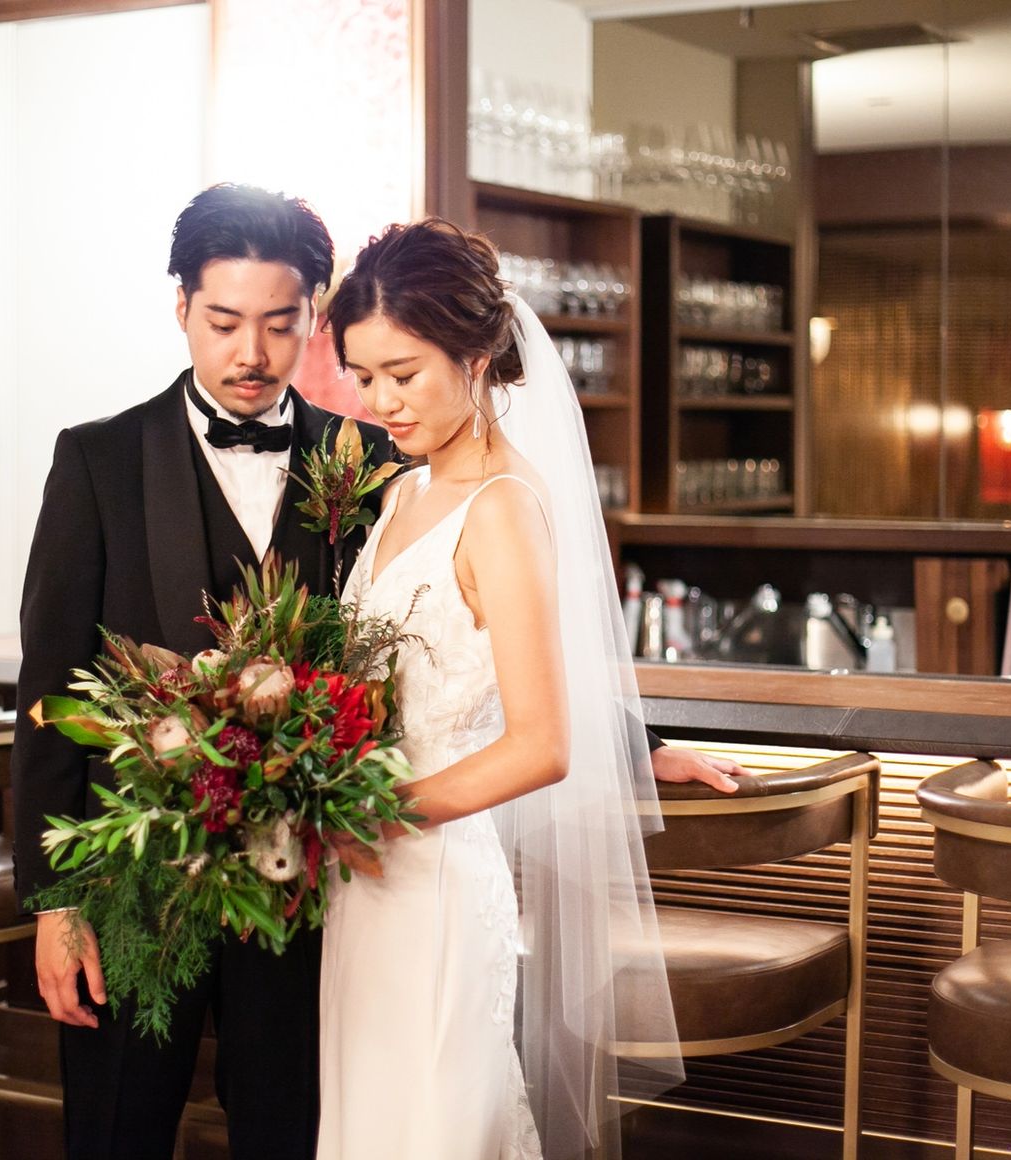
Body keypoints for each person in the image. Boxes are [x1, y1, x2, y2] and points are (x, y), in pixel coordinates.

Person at [319, 219, 741, 1160]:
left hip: (429, 874)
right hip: (364, 884)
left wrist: (374, 813)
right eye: (363, 376)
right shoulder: (401, 493)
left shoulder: (502, 508)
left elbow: (542, 744)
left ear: (475, 359)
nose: (381, 401)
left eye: (404, 373)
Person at [10, 184, 388, 1160]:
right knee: (117, 1130)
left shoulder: (366, 457)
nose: (251, 353)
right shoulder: (96, 460)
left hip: (308, 886)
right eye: (223, 322)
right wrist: (55, 902)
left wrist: (636, 745)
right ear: (180, 305)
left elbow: (455, 627)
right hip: (135, 879)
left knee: (290, 1130)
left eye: (280, 323)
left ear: (314, 314)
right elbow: (49, 691)